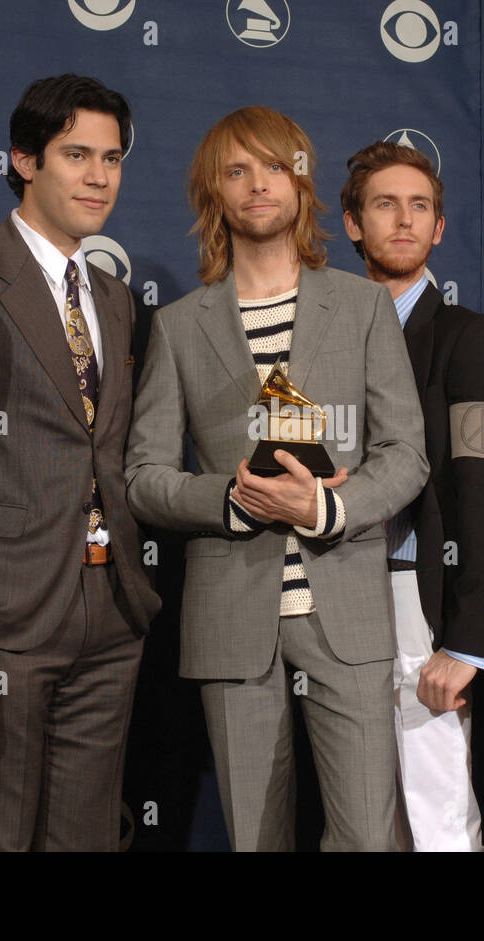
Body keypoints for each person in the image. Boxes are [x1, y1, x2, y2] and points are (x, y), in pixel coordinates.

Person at [125, 106, 428, 851]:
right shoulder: (179, 326)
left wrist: (327, 506)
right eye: (237, 170)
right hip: (232, 619)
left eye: (274, 166)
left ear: (301, 185)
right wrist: (228, 499)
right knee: (257, 840)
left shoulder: (360, 308)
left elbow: (405, 454)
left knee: (367, 838)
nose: (258, 184)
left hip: (347, 612)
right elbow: (144, 477)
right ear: (213, 193)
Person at [0, 75, 160, 851]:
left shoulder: (119, 299)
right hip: (5, 606)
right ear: (24, 160)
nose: (100, 176)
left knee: (87, 834)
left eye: (113, 158)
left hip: (112, 605)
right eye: (77, 154)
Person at [339, 141, 484, 851]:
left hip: (419, 597)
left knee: (436, 812)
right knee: (355, 812)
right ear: (353, 223)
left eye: (420, 207)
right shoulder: (322, 330)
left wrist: (468, 641)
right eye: (385, 204)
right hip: (332, 588)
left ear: (439, 228)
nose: (403, 221)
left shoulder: (470, 337)